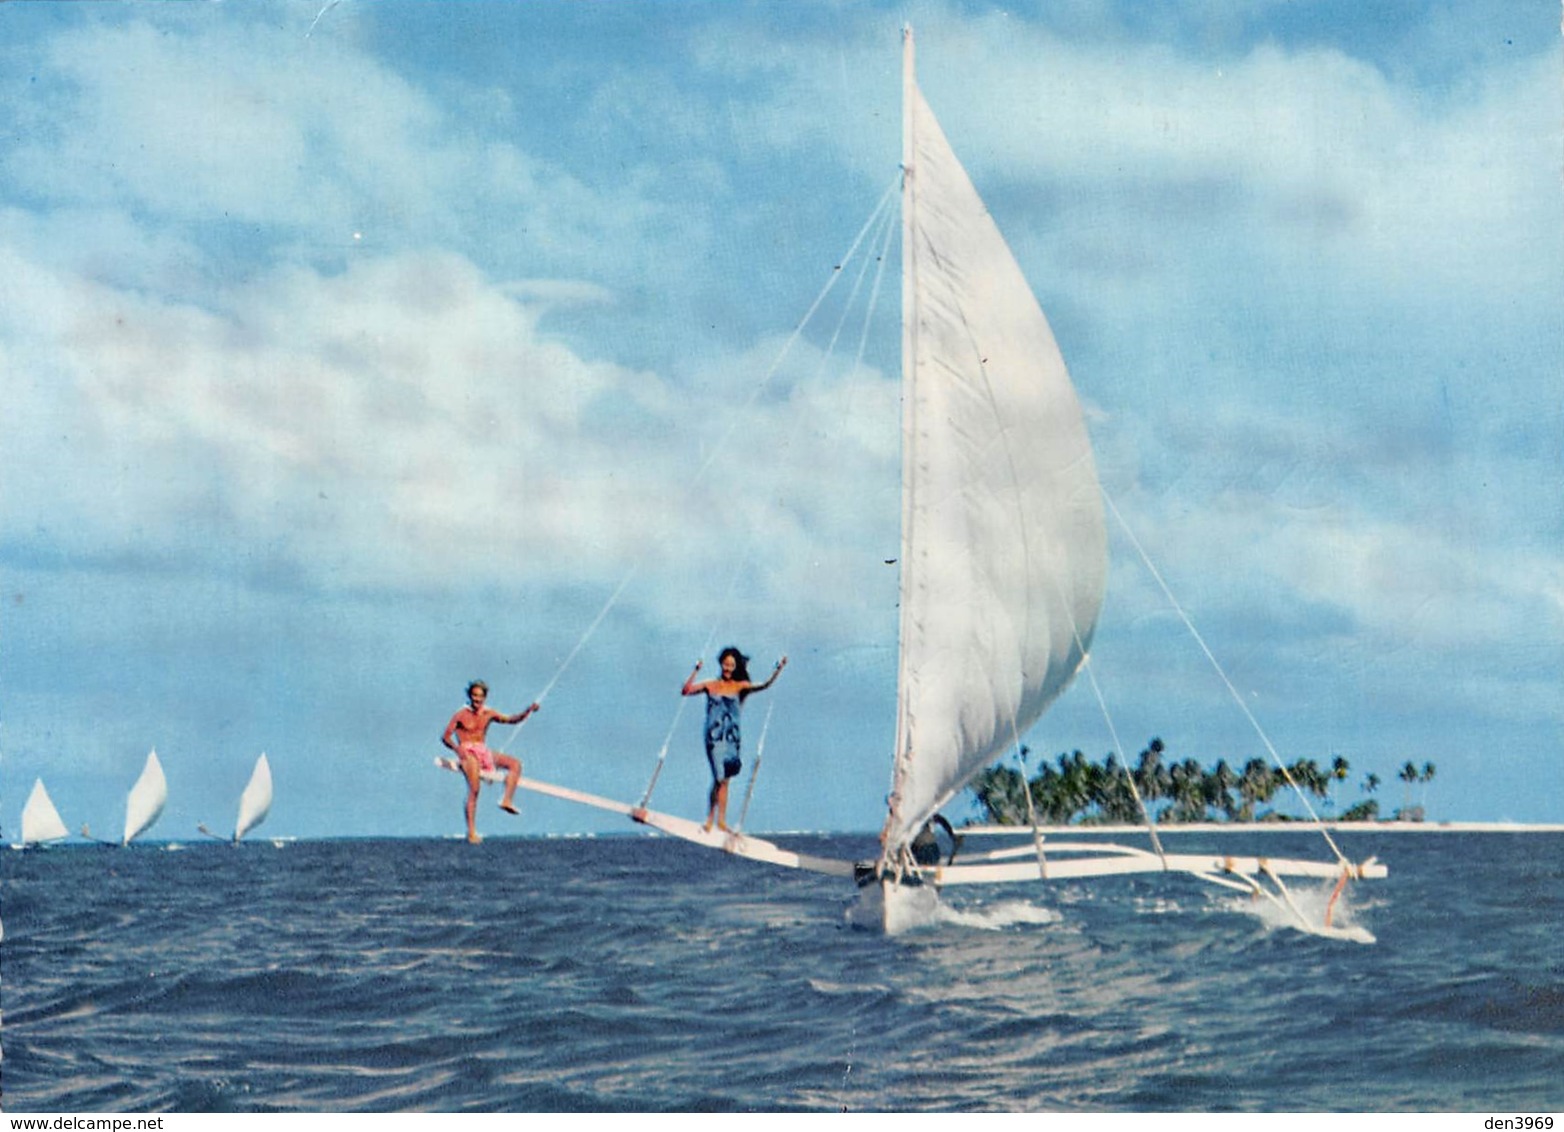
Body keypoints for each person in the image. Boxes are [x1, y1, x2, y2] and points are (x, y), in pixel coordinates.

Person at [681, 647, 786, 832]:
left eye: (732, 665)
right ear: (721, 664)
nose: (728, 668)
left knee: (725, 780)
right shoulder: (710, 684)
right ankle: (709, 819)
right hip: (714, 736)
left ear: (736, 667)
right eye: (725, 664)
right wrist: (696, 669)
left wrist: (777, 669)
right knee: (718, 777)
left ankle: (720, 821)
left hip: (732, 737)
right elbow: (686, 690)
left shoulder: (740, 686)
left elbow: (765, 685)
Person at [442, 681, 538, 844]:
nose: (477, 699)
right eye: (474, 695)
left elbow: (511, 720)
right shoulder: (461, 714)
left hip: (483, 751)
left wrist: (528, 711)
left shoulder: (489, 713)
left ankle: (507, 800)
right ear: (470, 696)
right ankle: (471, 832)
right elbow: (446, 737)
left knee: (515, 764)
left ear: (485, 697)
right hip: (467, 754)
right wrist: (458, 750)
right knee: (475, 790)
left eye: (480, 696)